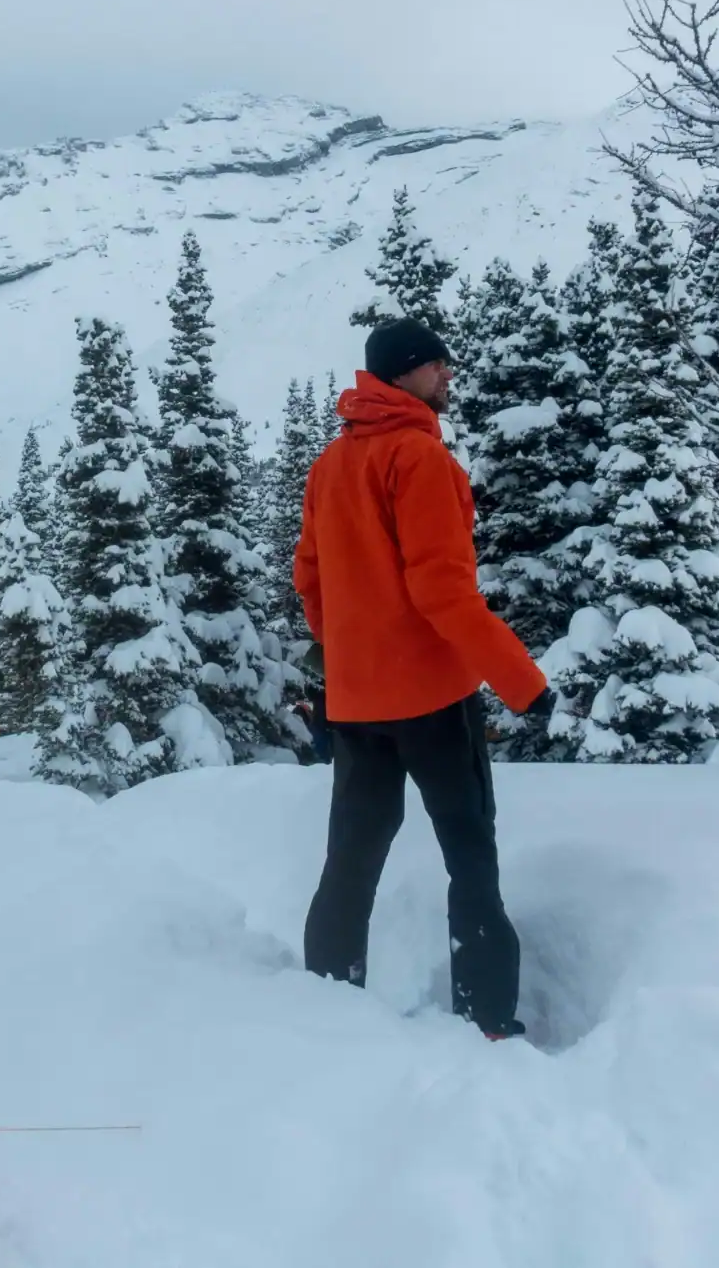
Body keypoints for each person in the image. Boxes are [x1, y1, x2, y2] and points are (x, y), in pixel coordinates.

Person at [293, 317, 548, 1041]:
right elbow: (443, 591)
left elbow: (307, 579)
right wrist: (523, 682)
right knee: (470, 856)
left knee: (351, 860)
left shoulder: (330, 465)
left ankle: (323, 1009)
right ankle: (488, 1017)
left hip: (356, 701)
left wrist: (351, 647)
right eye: (438, 364)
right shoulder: (420, 458)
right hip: (435, 701)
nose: (449, 374)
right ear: (404, 372)